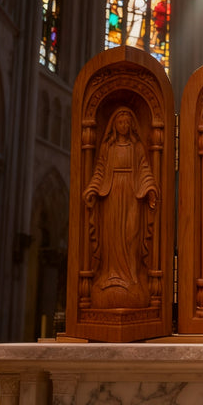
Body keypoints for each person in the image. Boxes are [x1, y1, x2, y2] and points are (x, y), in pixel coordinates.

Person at [83, 107, 158, 308]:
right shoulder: (108, 148)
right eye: (120, 122)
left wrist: (150, 188)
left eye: (127, 122)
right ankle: (110, 275)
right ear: (114, 125)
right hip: (111, 194)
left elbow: (144, 169)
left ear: (132, 125)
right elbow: (99, 170)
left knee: (130, 234)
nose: (124, 126)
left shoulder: (137, 148)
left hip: (133, 195)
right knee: (112, 236)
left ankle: (132, 277)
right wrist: (92, 188)